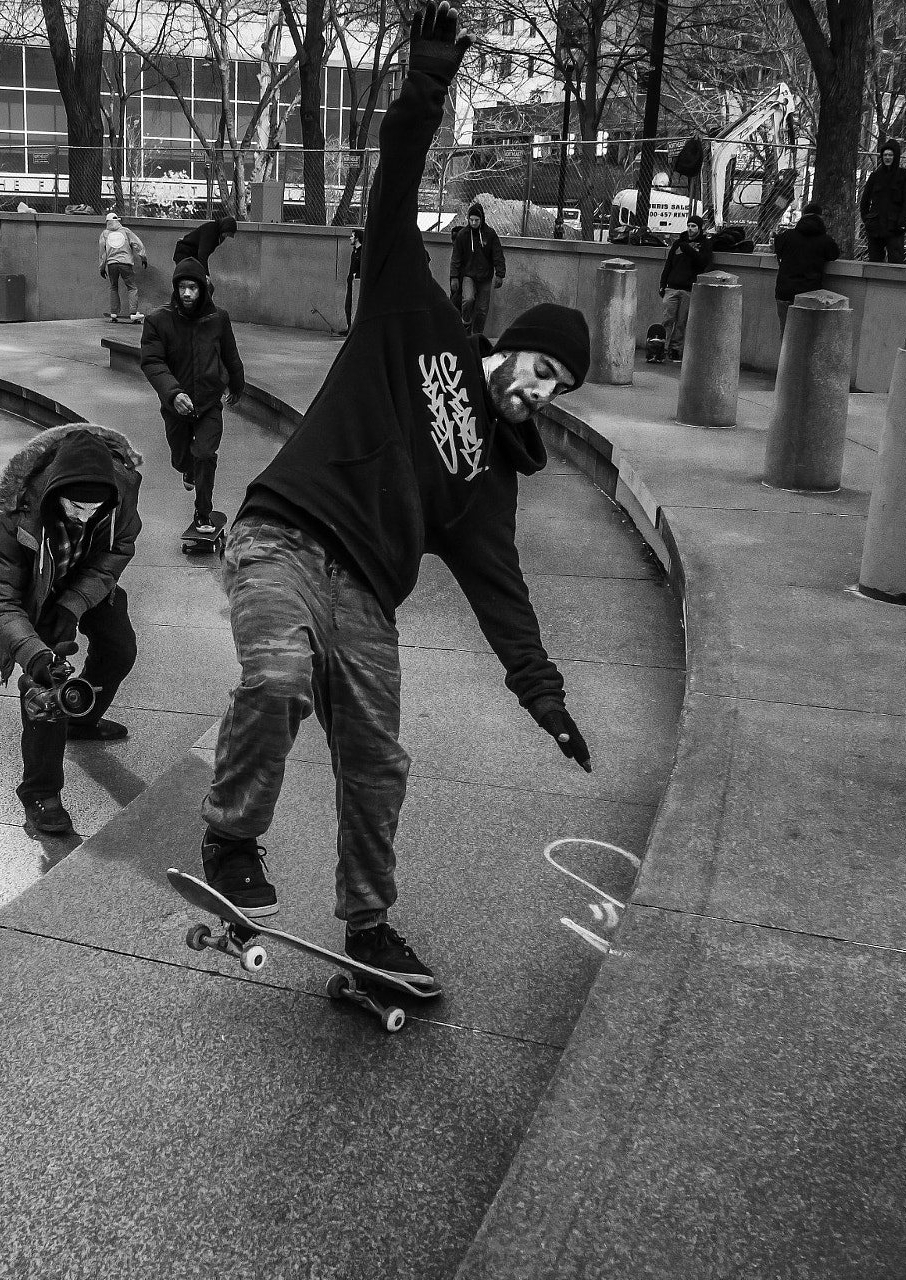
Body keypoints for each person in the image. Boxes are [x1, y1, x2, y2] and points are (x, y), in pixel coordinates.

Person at [195, 1, 593, 986]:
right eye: (538, 367)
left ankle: (368, 929)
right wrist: (425, 83)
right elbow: (394, 187)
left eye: (556, 391)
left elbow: (506, 601)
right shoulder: (412, 314)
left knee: (379, 763)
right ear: (509, 344)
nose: (538, 391)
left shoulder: (489, 489)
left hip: (368, 597)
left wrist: (545, 700)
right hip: (281, 540)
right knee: (278, 678)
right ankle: (228, 839)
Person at [0, 425, 144, 835]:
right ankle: (40, 792)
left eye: (94, 509)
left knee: (119, 650)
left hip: (85, 582)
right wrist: (35, 654)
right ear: (53, 492)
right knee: (43, 689)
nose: (85, 517)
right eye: (75, 506)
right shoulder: (16, 517)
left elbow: (117, 549)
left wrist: (73, 604)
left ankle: (82, 719)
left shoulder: (120, 492)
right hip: (35, 590)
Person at [140, 257, 245, 537]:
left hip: (209, 403)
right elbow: (152, 362)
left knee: (205, 454)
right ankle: (186, 470)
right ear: (175, 289)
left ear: (203, 289)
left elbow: (230, 354)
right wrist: (173, 395)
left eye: (193, 288)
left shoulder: (217, 319)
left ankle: (202, 512)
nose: (187, 293)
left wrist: (237, 384)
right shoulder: (158, 320)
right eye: (182, 287)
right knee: (182, 458)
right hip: (176, 407)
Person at [771, 203, 841, 332]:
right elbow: (834, 254)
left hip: (785, 291)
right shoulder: (825, 240)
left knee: (786, 334)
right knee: (806, 336)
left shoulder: (787, 236)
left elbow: (777, 248)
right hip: (810, 292)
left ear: (802, 216)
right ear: (821, 218)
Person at [657, 215, 713, 362]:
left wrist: (688, 249)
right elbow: (668, 265)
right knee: (667, 319)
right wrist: (663, 284)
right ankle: (661, 347)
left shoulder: (704, 245)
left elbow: (703, 262)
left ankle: (675, 349)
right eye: (689, 225)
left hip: (688, 288)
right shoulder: (678, 243)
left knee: (681, 322)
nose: (690, 228)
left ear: (700, 228)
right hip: (672, 287)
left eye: (694, 226)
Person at [449, 201, 506, 336]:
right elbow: (456, 257)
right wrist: (454, 277)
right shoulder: (463, 235)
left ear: (482, 219)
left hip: (485, 276)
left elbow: (497, 255)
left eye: (476, 220)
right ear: (468, 219)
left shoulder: (490, 235)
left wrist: (500, 274)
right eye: (471, 220)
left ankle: (478, 335)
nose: (474, 223)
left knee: (481, 309)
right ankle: (466, 323)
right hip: (469, 275)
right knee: (468, 299)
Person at [860, 140, 906, 264]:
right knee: (874, 262)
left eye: (890, 155)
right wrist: (867, 219)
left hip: (895, 227)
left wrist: (902, 222)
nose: (887, 158)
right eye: (885, 155)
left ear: (896, 157)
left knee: (896, 262)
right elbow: (865, 200)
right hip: (875, 227)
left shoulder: (905, 176)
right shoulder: (875, 176)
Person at [99, 212, 148, 323]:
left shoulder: (104, 234)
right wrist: (143, 257)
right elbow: (137, 244)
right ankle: (133, 312)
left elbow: (103, 253)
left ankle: (114, 313)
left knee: (113, 287)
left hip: (112, 264)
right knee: (131, 287)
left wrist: (102, 268)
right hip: (125, 263)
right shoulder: (125, 231)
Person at [173, 215, 238, 272]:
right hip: (185, 254)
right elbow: (203, 254)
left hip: (190, 255)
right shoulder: (211, 231)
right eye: (227, 234)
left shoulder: (216, 231)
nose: (227, 236)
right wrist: (205, 274)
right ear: (225, 228)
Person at [344, 228, 363, 329]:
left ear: (357, 238)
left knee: (354, 305)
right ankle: (349, 327)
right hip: (351, 281)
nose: (350, 238)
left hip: (357, 283)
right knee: (348, 306)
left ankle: (353, 328)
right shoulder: (354, 252)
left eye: (352, 236)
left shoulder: (362, 252)